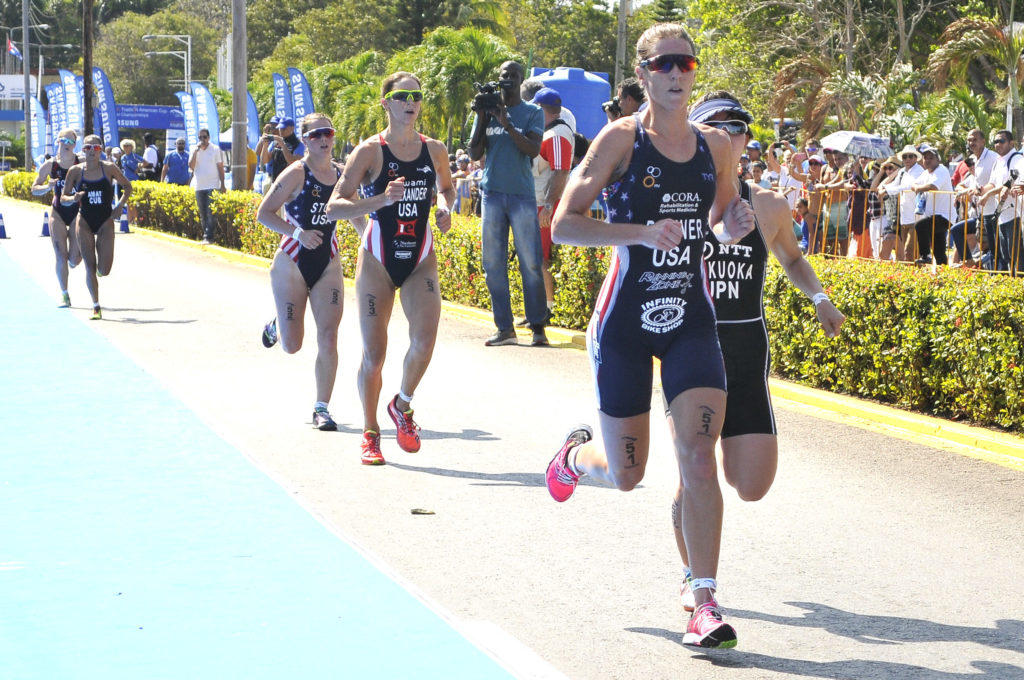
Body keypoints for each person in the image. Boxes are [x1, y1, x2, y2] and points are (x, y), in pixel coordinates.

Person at [543, 23, 755, 649]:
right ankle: (577, 459)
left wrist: (733, 225)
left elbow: (718, 220)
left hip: (691, 316)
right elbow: (564, 226)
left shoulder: (718, 147)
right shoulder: (619, 140)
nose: (676, 73)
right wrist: (636, 233)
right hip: (626, 321)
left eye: (685, 63)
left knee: (696, 453)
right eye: (663, 64)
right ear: (642, 74)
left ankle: (703, 598)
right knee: (629, 474)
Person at [677, 90, 845, 616]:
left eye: (739, 126)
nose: (730, 134)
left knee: (752, 484)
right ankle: (695, 578)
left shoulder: (768, 205)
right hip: (691, 350)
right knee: (697, 466)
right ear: (697, 136)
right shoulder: (677, 202)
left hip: (747, 354)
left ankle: (693, 491)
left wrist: (819, 297)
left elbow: (793, 259)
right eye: (716, 125)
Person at [324, 72, 455, 465]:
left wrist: (446, 207)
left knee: (425, 341)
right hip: (378, 260)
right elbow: (334, 206)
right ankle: (370, 433)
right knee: (374, 355)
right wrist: (379, 200)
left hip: (419, 258)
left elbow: (447, 188)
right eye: (402, 97)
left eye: (416, 95)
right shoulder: (369, 151)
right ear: (386, 103)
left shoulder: (435, 150)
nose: (411, 102)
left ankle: (402, 403)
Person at [256, 112, 347, 433]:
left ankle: (321, 407)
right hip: (292, 261)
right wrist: (297, 234)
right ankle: (277, 324)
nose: (324, 140)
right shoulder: (296, 173)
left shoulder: (342, 174)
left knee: (329, 335)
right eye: (316, 135)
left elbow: (356, 209)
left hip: (328, 261)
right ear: (305, 140)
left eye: (329, 133)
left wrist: (368, 240)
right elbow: (263, 213)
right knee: (292, 345)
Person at [468, 60, 549, 347]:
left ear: (521, 80)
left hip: (521, 196)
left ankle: (537, 326)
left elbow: (532, 149)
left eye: (514, 75)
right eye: (505, 75)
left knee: (530, 262)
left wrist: (507, 123)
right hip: (492, 195)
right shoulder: (487, 111)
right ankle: (505, 328)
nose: (509, 79)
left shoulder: (532, 112)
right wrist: (481, 117)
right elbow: (474, 151)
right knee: (492, 263)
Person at [60, 134, 132, 320]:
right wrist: (73, 199)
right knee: (89, 267)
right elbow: (63, 197)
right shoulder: (75, 171)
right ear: (82, 150)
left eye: (96, 148)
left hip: (105, 220)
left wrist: (120, 206)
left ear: (101, 150)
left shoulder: (109, 168)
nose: (91, 151)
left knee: (104, 270)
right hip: (83, 221)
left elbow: (127, 186)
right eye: (87, 148)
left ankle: (99, 271)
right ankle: (96, 305)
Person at [528, 86, 574, 323]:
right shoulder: (549, 131)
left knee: (540, 259)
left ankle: (547, 308)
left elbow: (560, 172)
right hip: (538, 201)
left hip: (544, 204)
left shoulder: (557, 135)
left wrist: (547, 206)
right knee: (534, 258)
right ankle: (537, 308)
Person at [31, 128, 82, 307]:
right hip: (58, 212)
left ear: (75, 145)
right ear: (58, 142)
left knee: (74, 260)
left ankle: (76, 258)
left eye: (70, 142)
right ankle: (64, 294)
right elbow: (34, 188)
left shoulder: (81, 163)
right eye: (63, 140)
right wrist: (47, 187)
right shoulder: (50, 165)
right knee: (60, 255)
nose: (66, 144)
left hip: (77, 212)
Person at [949, 129, 998, 267]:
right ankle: (970, 262)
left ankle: (981, 266)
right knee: (957, 230)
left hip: (995, 212)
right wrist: (964, 191)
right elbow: (965, 184)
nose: (972, 143)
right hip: (981, 214)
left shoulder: (993, 157)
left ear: (983, 141)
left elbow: (996, 182)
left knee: (995, 250)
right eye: (969, 140)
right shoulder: (974, 159)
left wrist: (980, 190)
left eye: (975, 140)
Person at [878, 144, 925, 262]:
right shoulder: (902, 171)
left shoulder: (919, 170)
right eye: (905, 157)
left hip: (917, 217)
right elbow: (895, 184)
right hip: (904, 217)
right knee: (907, 252)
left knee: (910, 251)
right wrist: (885, 187)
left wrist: (886, 190)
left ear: (915, 158)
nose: (908, 159)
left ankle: (914, 276)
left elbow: (907, 186)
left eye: (910, 156)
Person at [910, 143, 954, 266]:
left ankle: (925, 256)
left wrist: (918, 188)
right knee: (939, 251)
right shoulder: (926, 173)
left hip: (944, 215)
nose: (927, 160)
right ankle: (944, 275)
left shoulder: (941, 170)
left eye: (931, 158)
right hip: (933, 215)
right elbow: (913, 184)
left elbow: (933, 186)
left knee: (920, 226)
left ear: (937, 159)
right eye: (925, 158)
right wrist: (918, 187)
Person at [189, 128, 225, 245]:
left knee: (211, 213)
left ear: (208, 138)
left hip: (213, 185)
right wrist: (195, 152)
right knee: (203, 213)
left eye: (204, 137)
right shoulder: (194, 149)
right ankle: (206, 235)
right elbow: (191, 166)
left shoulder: (215, 149)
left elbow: (220, 167)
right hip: (199, 186)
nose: (202, 140)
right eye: (200, 137)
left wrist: (223, 184)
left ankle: (209, 237)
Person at [263, 117, 305, 183]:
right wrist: (265, 145)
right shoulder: (276, 142)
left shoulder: (299, 145)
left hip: (290, 183)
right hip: (275, 181)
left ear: (292, 128)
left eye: (284, 128)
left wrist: (282, 144)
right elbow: (265, 160)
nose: (281, 130)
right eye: (279, 128)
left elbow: (294, 163)